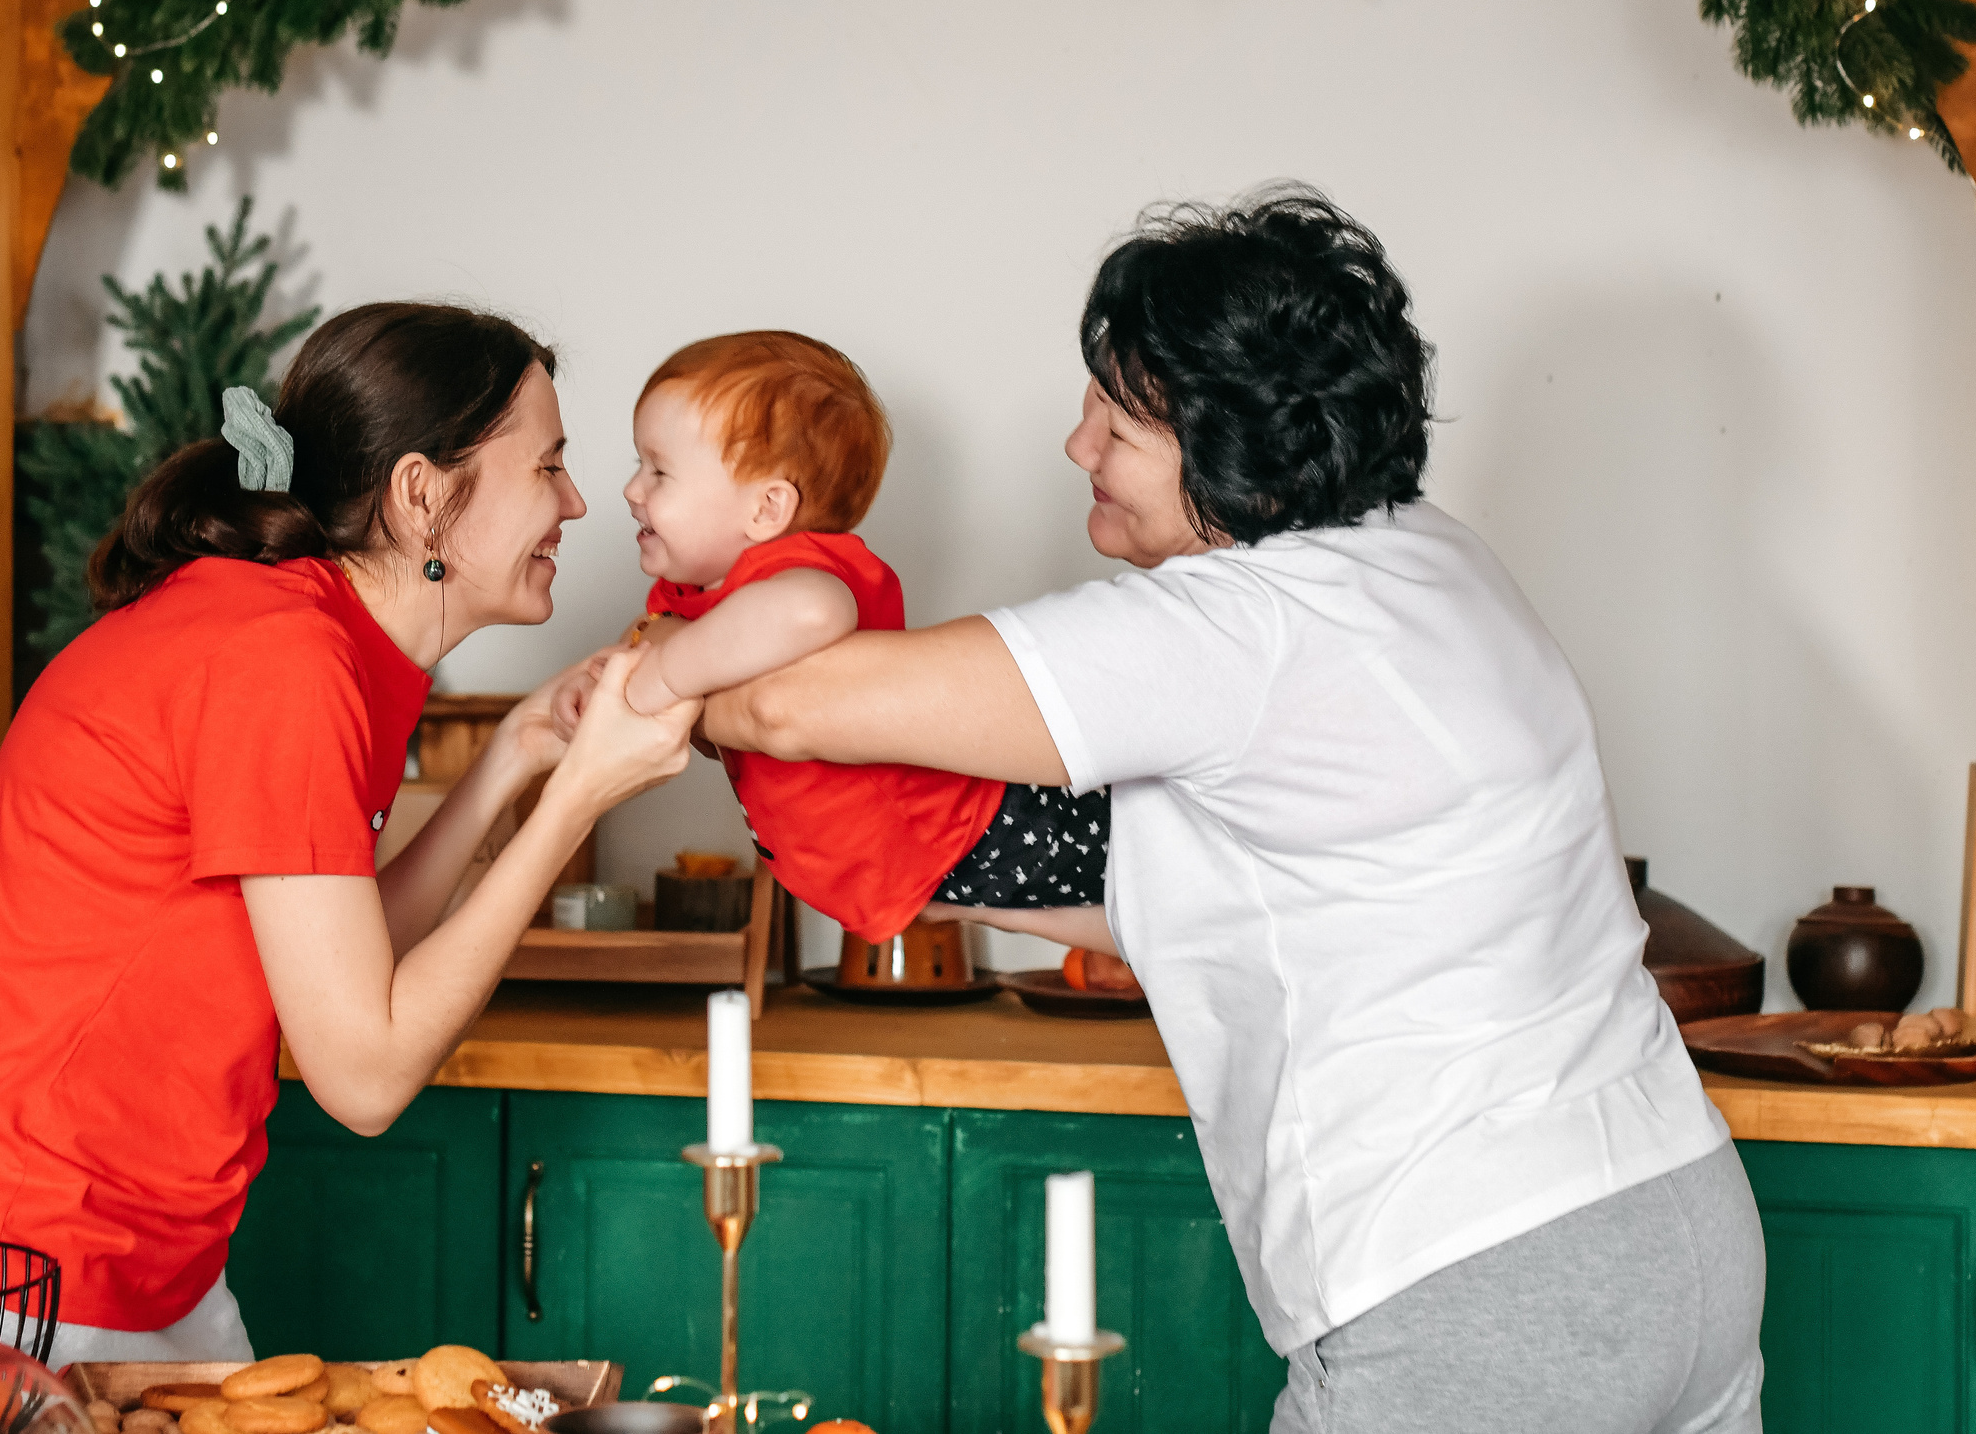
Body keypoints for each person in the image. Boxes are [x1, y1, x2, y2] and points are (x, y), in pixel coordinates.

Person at [699, 192, 1767, 1433]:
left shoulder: (1239, 627)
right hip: (1676, 1218)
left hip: (1474, 1275)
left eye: (1113, 416)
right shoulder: (1434, 558)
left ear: (1221, 438)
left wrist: (663, 668)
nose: (1074, 444)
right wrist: (896, 863)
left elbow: (784, 706)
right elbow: (1241, 902)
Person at [0, 303, 699, 1363]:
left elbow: (342, 961)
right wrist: (578, 802)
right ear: (422, 496)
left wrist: (522, 756)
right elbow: (366, 1076)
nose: (577, 501)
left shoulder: (308, 635)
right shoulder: (279, 661)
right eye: (549, 465)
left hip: (127, 1256)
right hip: (11, 1265)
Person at [554, 331, 1106, 943]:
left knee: (1158, 863)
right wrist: (605, 684)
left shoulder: (795, 571)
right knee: (1155, 903)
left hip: (976, 827)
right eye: (639, 464)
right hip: (930, 864)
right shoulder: (694, 603)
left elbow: (814, 613)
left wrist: (662, 674)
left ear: (767, 509)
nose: (633, 489)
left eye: (659, 470)